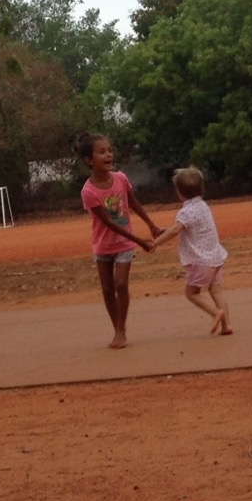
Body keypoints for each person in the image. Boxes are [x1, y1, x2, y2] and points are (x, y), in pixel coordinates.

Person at [77, 133, 158, 349]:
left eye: (109, 150)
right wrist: (140, 240)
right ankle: (117, 329)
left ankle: (121, 329)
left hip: (124, 244)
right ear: (89, 160)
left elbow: (133, 203)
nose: (108, 155)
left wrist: (151, 225)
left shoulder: (121, 178)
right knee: (107, 289)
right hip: (103, 245)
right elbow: (108, 223)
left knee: (121, 284)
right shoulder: (88, 191)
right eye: (102, 152)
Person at [151, 165, 233, 335]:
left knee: (192, 293)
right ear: (201, 189)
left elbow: (176, 230)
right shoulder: (203, 206)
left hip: (200, 260)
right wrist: (166, 230)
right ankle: (226, 325)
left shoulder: (185, 212)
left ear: (179, 193)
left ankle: (215, 313)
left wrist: (155, 242)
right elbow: (186, 227)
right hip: (216, 257)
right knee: (216, 290)